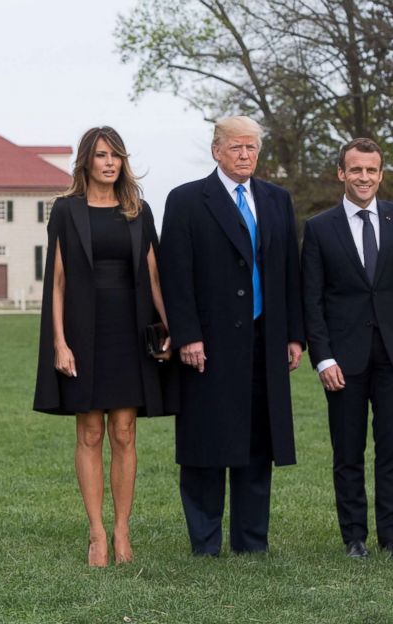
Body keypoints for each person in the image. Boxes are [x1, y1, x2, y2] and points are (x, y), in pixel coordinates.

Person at [158, 115, 304, 556]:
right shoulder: (186, 200)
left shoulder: (277, 200)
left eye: (252, 148)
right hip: (209, 344)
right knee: (206, 442)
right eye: (237, 148)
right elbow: (174, 274)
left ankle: (250, 542)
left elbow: (288, 273)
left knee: (259, 442)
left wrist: (294, 335)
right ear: (217, 150)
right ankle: (205, 542)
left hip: (265, 338)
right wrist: (187, 335)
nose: (245, 156)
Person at [33, 126, 171, 567]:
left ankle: (123, 530)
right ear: (86, 162)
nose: (109, 163)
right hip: (83, 329)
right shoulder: (66, 211)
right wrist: (59, 341)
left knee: (125, 432)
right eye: (101, 155)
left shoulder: (138, 210)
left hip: (130, 331)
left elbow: (154, 275)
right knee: (90, 431)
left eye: (115, 156)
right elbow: (56, 280)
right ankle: (96, 534)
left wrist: (170, 329)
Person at [301, 138, 393, 560]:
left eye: (371, 170)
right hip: (344, 359)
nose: (364, 177)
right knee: (348, 451)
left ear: (381, 174)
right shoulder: (320, 227)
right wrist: (323, 357)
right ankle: (354, 538)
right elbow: (312, 299)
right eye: (355, 170)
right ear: (341, 173)